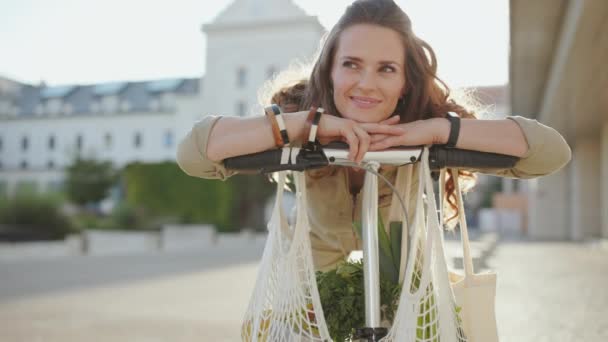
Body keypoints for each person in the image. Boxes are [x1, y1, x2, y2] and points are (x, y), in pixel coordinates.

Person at [176, 0, 571, 271]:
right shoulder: (300, 110)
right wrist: (307, 125)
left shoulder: (427, 119)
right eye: (351, 64)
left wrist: (433, 130)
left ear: (404, 81)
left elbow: (550, 153)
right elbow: (196, 154)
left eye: (386, 69)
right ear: (329, 71)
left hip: (407, 299)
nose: (366, 84)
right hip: (307, 299)